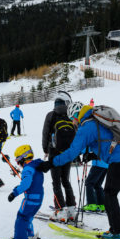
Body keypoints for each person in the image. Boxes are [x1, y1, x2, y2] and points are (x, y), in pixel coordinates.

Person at [39, 104, 120, 239]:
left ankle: (116, 231)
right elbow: (107, 141)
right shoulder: (98, 119)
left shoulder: (86, 127)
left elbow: (72, 152)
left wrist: (51, 163)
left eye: (72, 118)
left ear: (77, 115)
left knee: (109, 193)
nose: (72, 122)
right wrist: (92, 155)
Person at [41, 92, 77, 221]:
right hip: (67, 153)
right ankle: (72, 210)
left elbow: (45, 133)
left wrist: (45, 149)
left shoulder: (51, 115)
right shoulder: (69, 115)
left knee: (56, 182)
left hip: (54, 152)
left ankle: (60, 210)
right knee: (66, 181)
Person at [4, 145, 45, 239]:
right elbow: (33, 183)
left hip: (30, 199)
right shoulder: (36, 166)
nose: (18, 164)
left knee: (21, 218)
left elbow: (26, 183)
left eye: (18, 160)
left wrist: (14, 193)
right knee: (28, 217)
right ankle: (29, 235)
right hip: (38, 199)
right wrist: (19, 186)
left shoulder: (28, 168)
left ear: (24, 158)